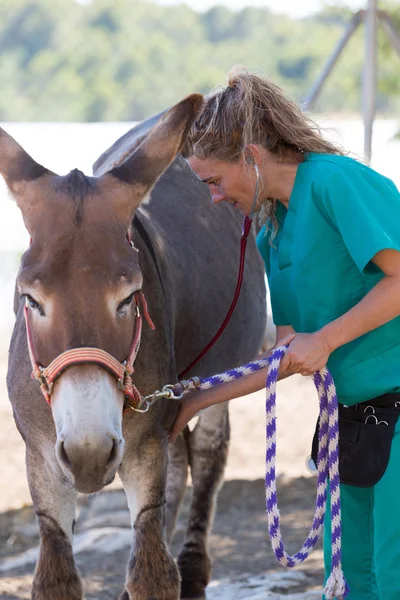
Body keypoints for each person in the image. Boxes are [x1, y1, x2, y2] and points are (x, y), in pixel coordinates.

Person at [169, 66, 400, 600]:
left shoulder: (337, 183)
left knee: (391, 580)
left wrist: (329, 339)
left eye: (214, 182)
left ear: (250, 157)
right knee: (347, 584)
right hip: (350, 425)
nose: (214, 199)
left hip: (394, 409)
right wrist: (194, 401)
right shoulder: (272, 231)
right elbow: (290, 354)